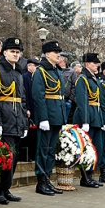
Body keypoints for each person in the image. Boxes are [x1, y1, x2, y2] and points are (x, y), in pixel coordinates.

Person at [0, 37, 28, 204]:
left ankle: (6, 188)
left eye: (18, 52)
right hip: (4, 120)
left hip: (17, 121)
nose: (15, 54)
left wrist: (24, 122)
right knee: (4, 158)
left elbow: (22, 100)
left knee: (14, 158)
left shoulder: (18, 73)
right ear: (4, 53)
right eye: (12, 51)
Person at [32, 40, 67, 196]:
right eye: (55, 52)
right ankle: (41, 182)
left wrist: (63, 118)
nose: (58, 54)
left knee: (51, 150)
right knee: (43, 150)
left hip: (57, 116)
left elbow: (61, 97)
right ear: (47, 54)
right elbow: (38, 97)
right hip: (47, 117)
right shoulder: (41, 71)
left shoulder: (57, 71)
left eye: (58, 52)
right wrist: (43, 118)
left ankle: (48, 179)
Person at [73, 53, 104, 188]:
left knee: (97, 148)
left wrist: (102, 120)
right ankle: (85, 177)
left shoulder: (93, 79)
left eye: (97, 63)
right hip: (87, 117)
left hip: (96, 117)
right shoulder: (83, 79)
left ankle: (90, 175)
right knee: (87, 149)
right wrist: (85, 121)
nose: (96, 65)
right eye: (94, 63)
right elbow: (82, 101)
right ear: (87, 64)